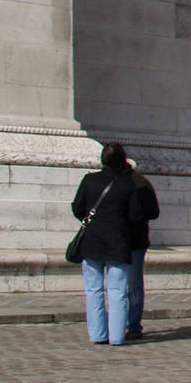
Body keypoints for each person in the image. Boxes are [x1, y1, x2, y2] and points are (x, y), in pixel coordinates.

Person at [70, 142, 144, 347]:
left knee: (93, 290)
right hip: (118, 243)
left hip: (92, 241)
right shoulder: (128, 184)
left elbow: (78, 208)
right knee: (117, 291)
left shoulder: (89, 180)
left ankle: (98, 334)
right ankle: (118, 336)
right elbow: (135, 215)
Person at [125, 158, 160, 340]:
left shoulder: (117, 182)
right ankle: (133, 326)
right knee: (135, 284)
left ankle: (118, 323)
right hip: (137, 240)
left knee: (119, 285)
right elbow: (154, 212)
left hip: (118, 240)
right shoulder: (143, 183)